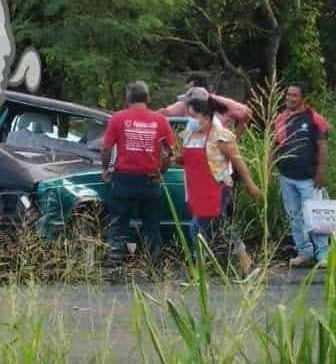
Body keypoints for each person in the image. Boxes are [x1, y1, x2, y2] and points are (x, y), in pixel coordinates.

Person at [180, 97, 263, 278]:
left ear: (206, 116)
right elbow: (184, 159)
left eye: (194, 115)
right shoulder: (189, 136)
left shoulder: (221, 135)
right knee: (221, 227)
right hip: (197, 189)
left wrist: (251, 185)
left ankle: (198, 271)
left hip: (217, 188)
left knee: (196, 227)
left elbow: (237, 161)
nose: (191, 119)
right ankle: (245, 262)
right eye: (189, 115)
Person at [102, 81, 175, 263]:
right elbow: (169, 153)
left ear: (127, 99)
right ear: (147, 98)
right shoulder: (160, 120)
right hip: (149, 180)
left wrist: (104, 168)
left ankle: (114, 263)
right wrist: (161, 172)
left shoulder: (118, 118)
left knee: (118, 223)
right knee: (151, 225)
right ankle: (152, 265)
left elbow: (106, 148)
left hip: (124, 179)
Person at [274, 83, 330, 268]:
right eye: (288, 94)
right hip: (286, 176)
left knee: (315, 216)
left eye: (294, 95)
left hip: (309, 179)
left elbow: (322, 147)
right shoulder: (281, 119)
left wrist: (320, 172)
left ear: (303, 98)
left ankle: (322, 253)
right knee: (294, 216)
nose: (290, 98)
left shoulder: (314, 119)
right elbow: (274, 145)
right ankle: (304, 251)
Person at [159, 80, 252, 137]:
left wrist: (234, 137)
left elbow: (246, 113)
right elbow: (164, 112)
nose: (187, 107)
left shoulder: (215, 124)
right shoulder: (191, 121)